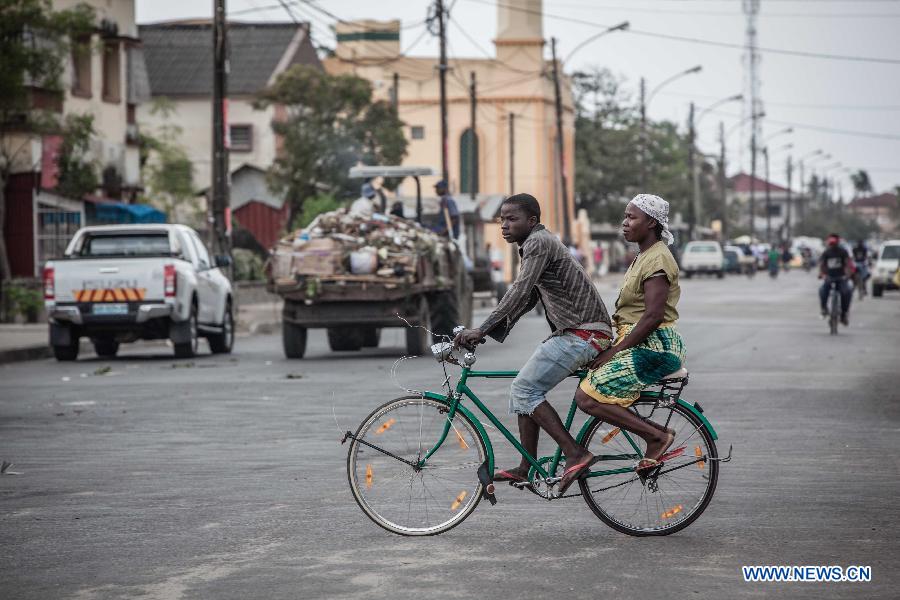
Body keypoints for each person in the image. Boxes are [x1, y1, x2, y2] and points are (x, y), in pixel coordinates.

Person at [453, 193, 613, 492]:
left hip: (583, 333)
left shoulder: (538, 242)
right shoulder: (536, 244)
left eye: (512, 219)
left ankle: (575, 453)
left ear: (532, 221)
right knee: (527, 389)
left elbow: (519, 289)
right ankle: (526, 467)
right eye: (502, 219)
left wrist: (483, 328)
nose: (504, 226)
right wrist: (489, 332)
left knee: (524, 389)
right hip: (579, 332)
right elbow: (530, 298)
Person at [571, 194, 687, 487]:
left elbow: (652, 317)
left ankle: (657, 437)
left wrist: (614, 352)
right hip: (641, 342)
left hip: (655, 347)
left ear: (651, 222)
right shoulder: (644, 255)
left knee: (586, 397)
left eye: (631, 217)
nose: (624, 223)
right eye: (625, 216)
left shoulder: (658, 257)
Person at [819, 233, 854, 325]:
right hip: (829, 277)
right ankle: (824, 309)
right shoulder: (826, 252)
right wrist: (821, 274)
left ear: (837, 243)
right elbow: (822, 264)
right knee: (822, 291)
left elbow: (848, 264)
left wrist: (848, 274)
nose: (832, 245)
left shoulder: (843, 252)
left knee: (847, 292)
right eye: (831, 244)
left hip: (841, 278)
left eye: (834, 243)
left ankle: (844, 314)